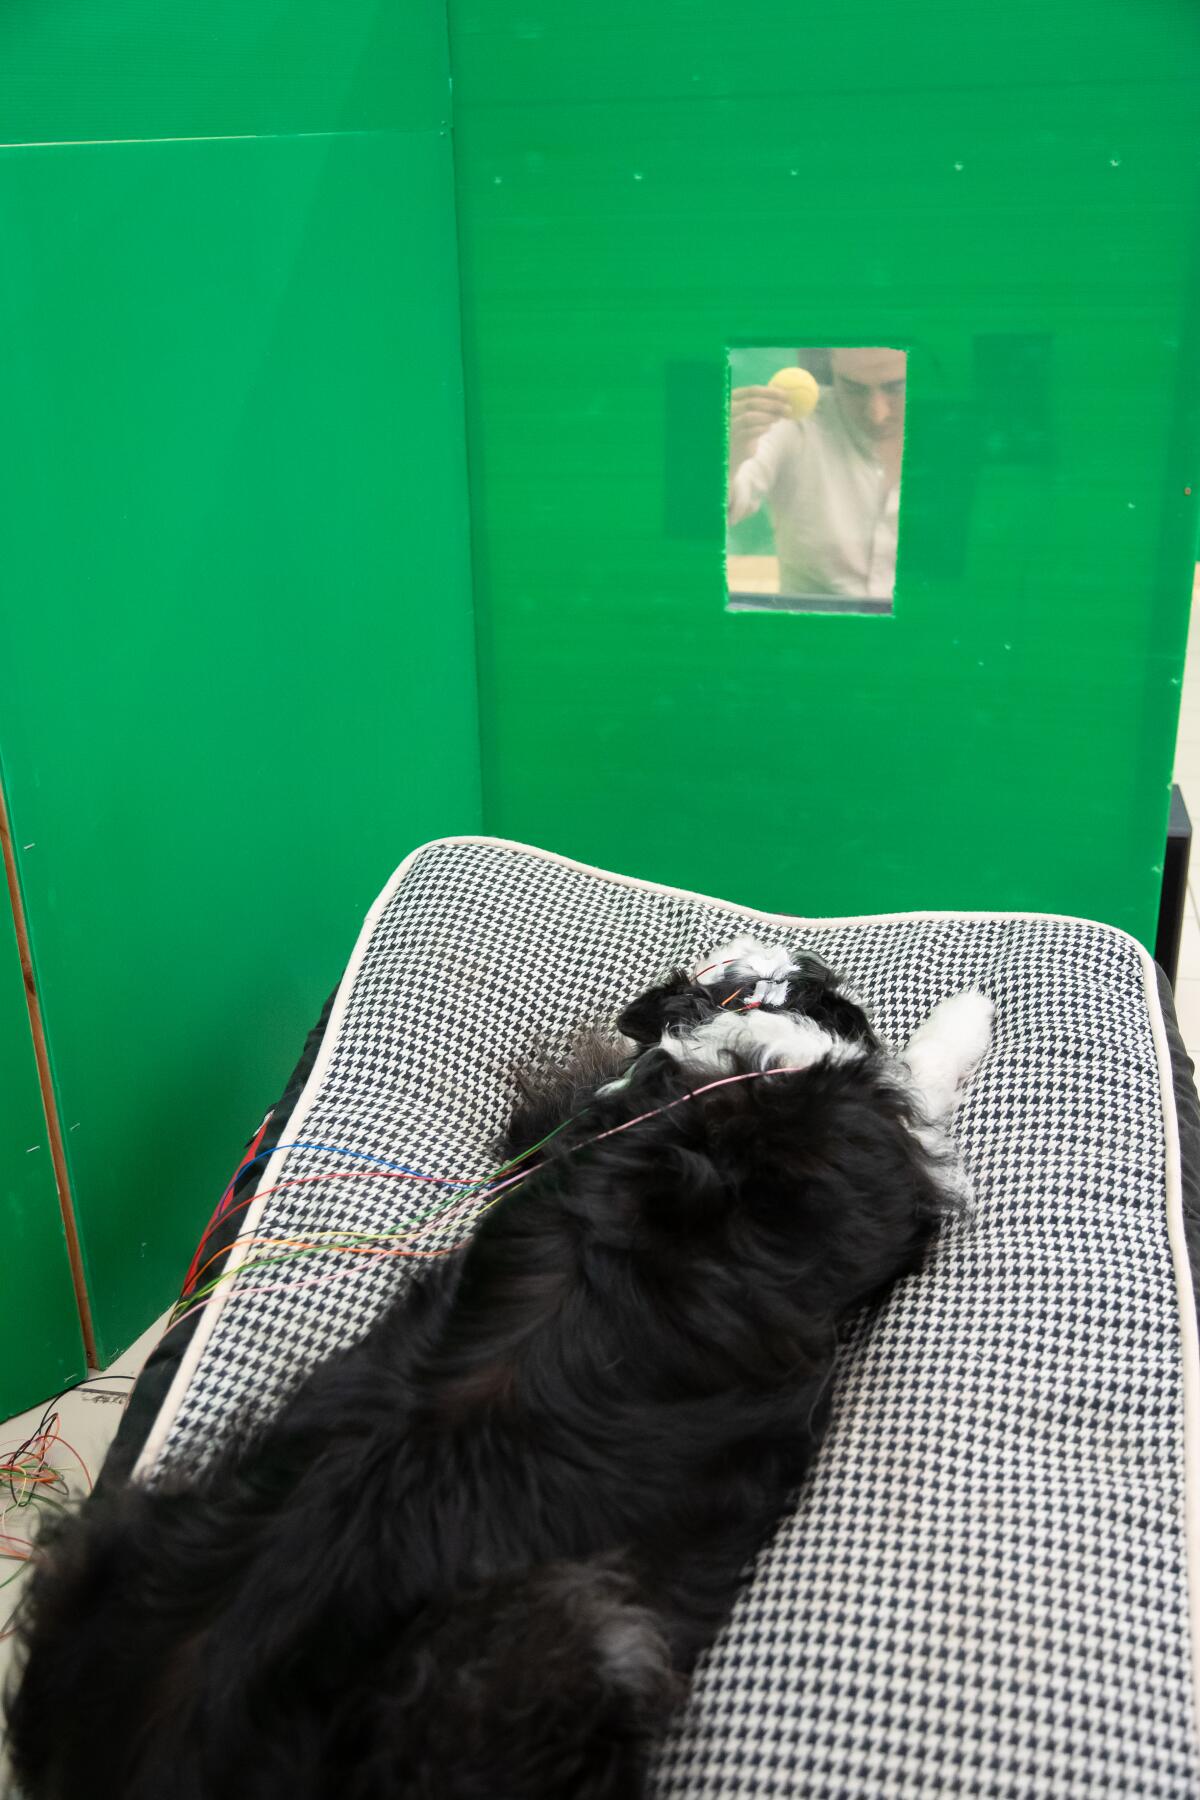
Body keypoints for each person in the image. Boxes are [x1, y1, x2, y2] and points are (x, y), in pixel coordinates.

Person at [728, 346, 907, 602]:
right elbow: (728, 502)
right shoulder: (794, 424)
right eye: (853, 389)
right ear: (830, 369)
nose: (877, 414)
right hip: (808, 632)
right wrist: (732, 456)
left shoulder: (951, 434)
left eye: (896, 388)